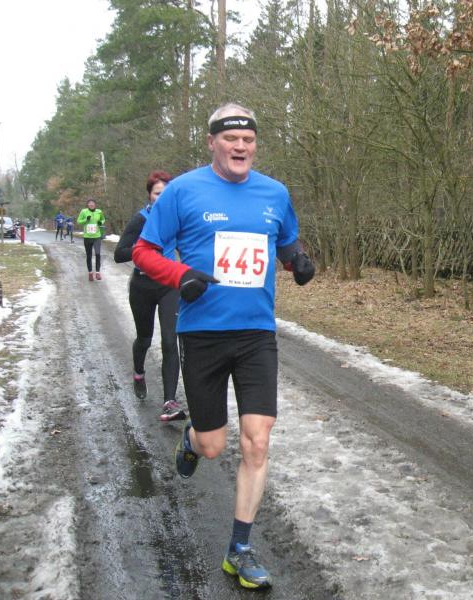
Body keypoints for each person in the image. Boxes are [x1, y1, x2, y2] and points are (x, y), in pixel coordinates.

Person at [132, 102, 315, 590]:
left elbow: (286, 241)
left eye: (248, 140)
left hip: (257, 334)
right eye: (231, 139)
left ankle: (240, 548)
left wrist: (297, 261)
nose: (240, 147)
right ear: (212, 142)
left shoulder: (275, 193)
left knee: (258, 439)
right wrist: (181, 275)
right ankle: (193, 441)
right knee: (214, 445)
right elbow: (143, 252)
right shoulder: (183, 191)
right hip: (203, 335)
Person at [114, 170, 186, 421]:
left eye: (166, 194)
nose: (161, 198)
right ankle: (138, 372)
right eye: (157, 194)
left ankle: (169, 402)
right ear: (149, 195)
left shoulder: (176, 220)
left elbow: (187, 247)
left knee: (170, 341)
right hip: (142, 287)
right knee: (144, 338)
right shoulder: (140, 220)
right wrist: (144, 249)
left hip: (168, 286)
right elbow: (119, 253)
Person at [77, 198, 106, 281]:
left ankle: (97, 273)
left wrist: (101, 222)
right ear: (87, 204)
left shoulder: (99, 212)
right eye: (89, 203)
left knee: (98, 254)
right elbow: (79, 221)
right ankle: (90, 273)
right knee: (89, 255)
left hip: (97, 236)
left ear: (95, 204)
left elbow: (103, 219)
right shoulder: (84, 211)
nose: (91, 204)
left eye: (92, 203)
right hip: (87, 237)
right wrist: (86, 220)